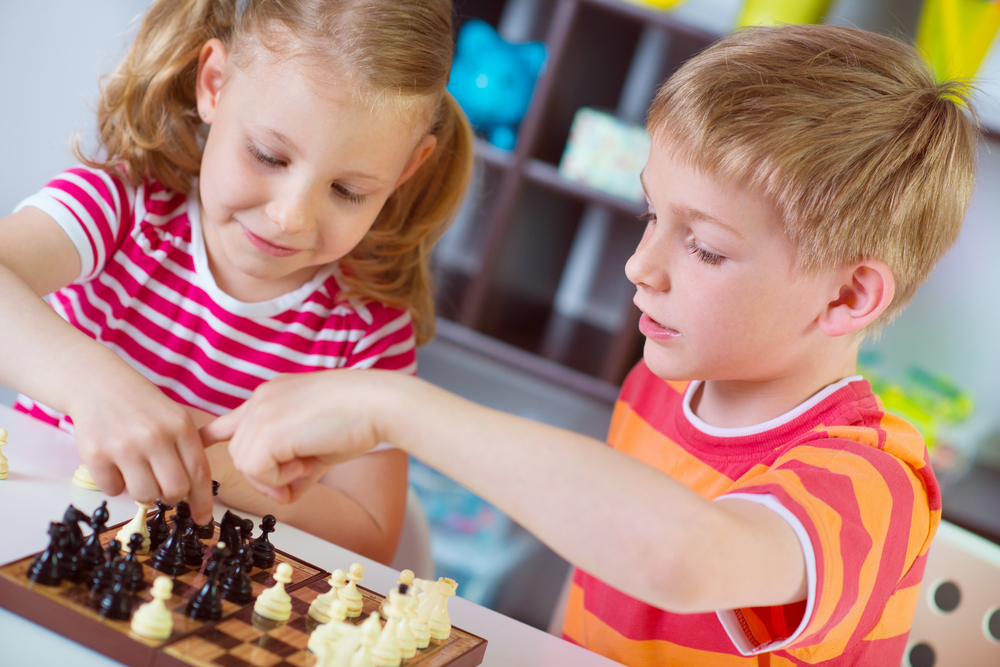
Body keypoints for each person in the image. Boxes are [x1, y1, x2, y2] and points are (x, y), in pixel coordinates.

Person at [203, 24, 980, 665]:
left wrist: (390, 405)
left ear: (848, 296)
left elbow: (682, 557)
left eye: (704, 247)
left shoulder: (874, 481)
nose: (639, 265)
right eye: (652, 216)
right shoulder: (665, 384)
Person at [0, 0, 473, 564]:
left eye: (348, 191)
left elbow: (371, 535)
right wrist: (94, 387)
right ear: (215, 84)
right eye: (268, 156)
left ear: (407, 169)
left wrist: (215, 465)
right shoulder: (122, 210)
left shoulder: (366, 333)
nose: (291, 217)